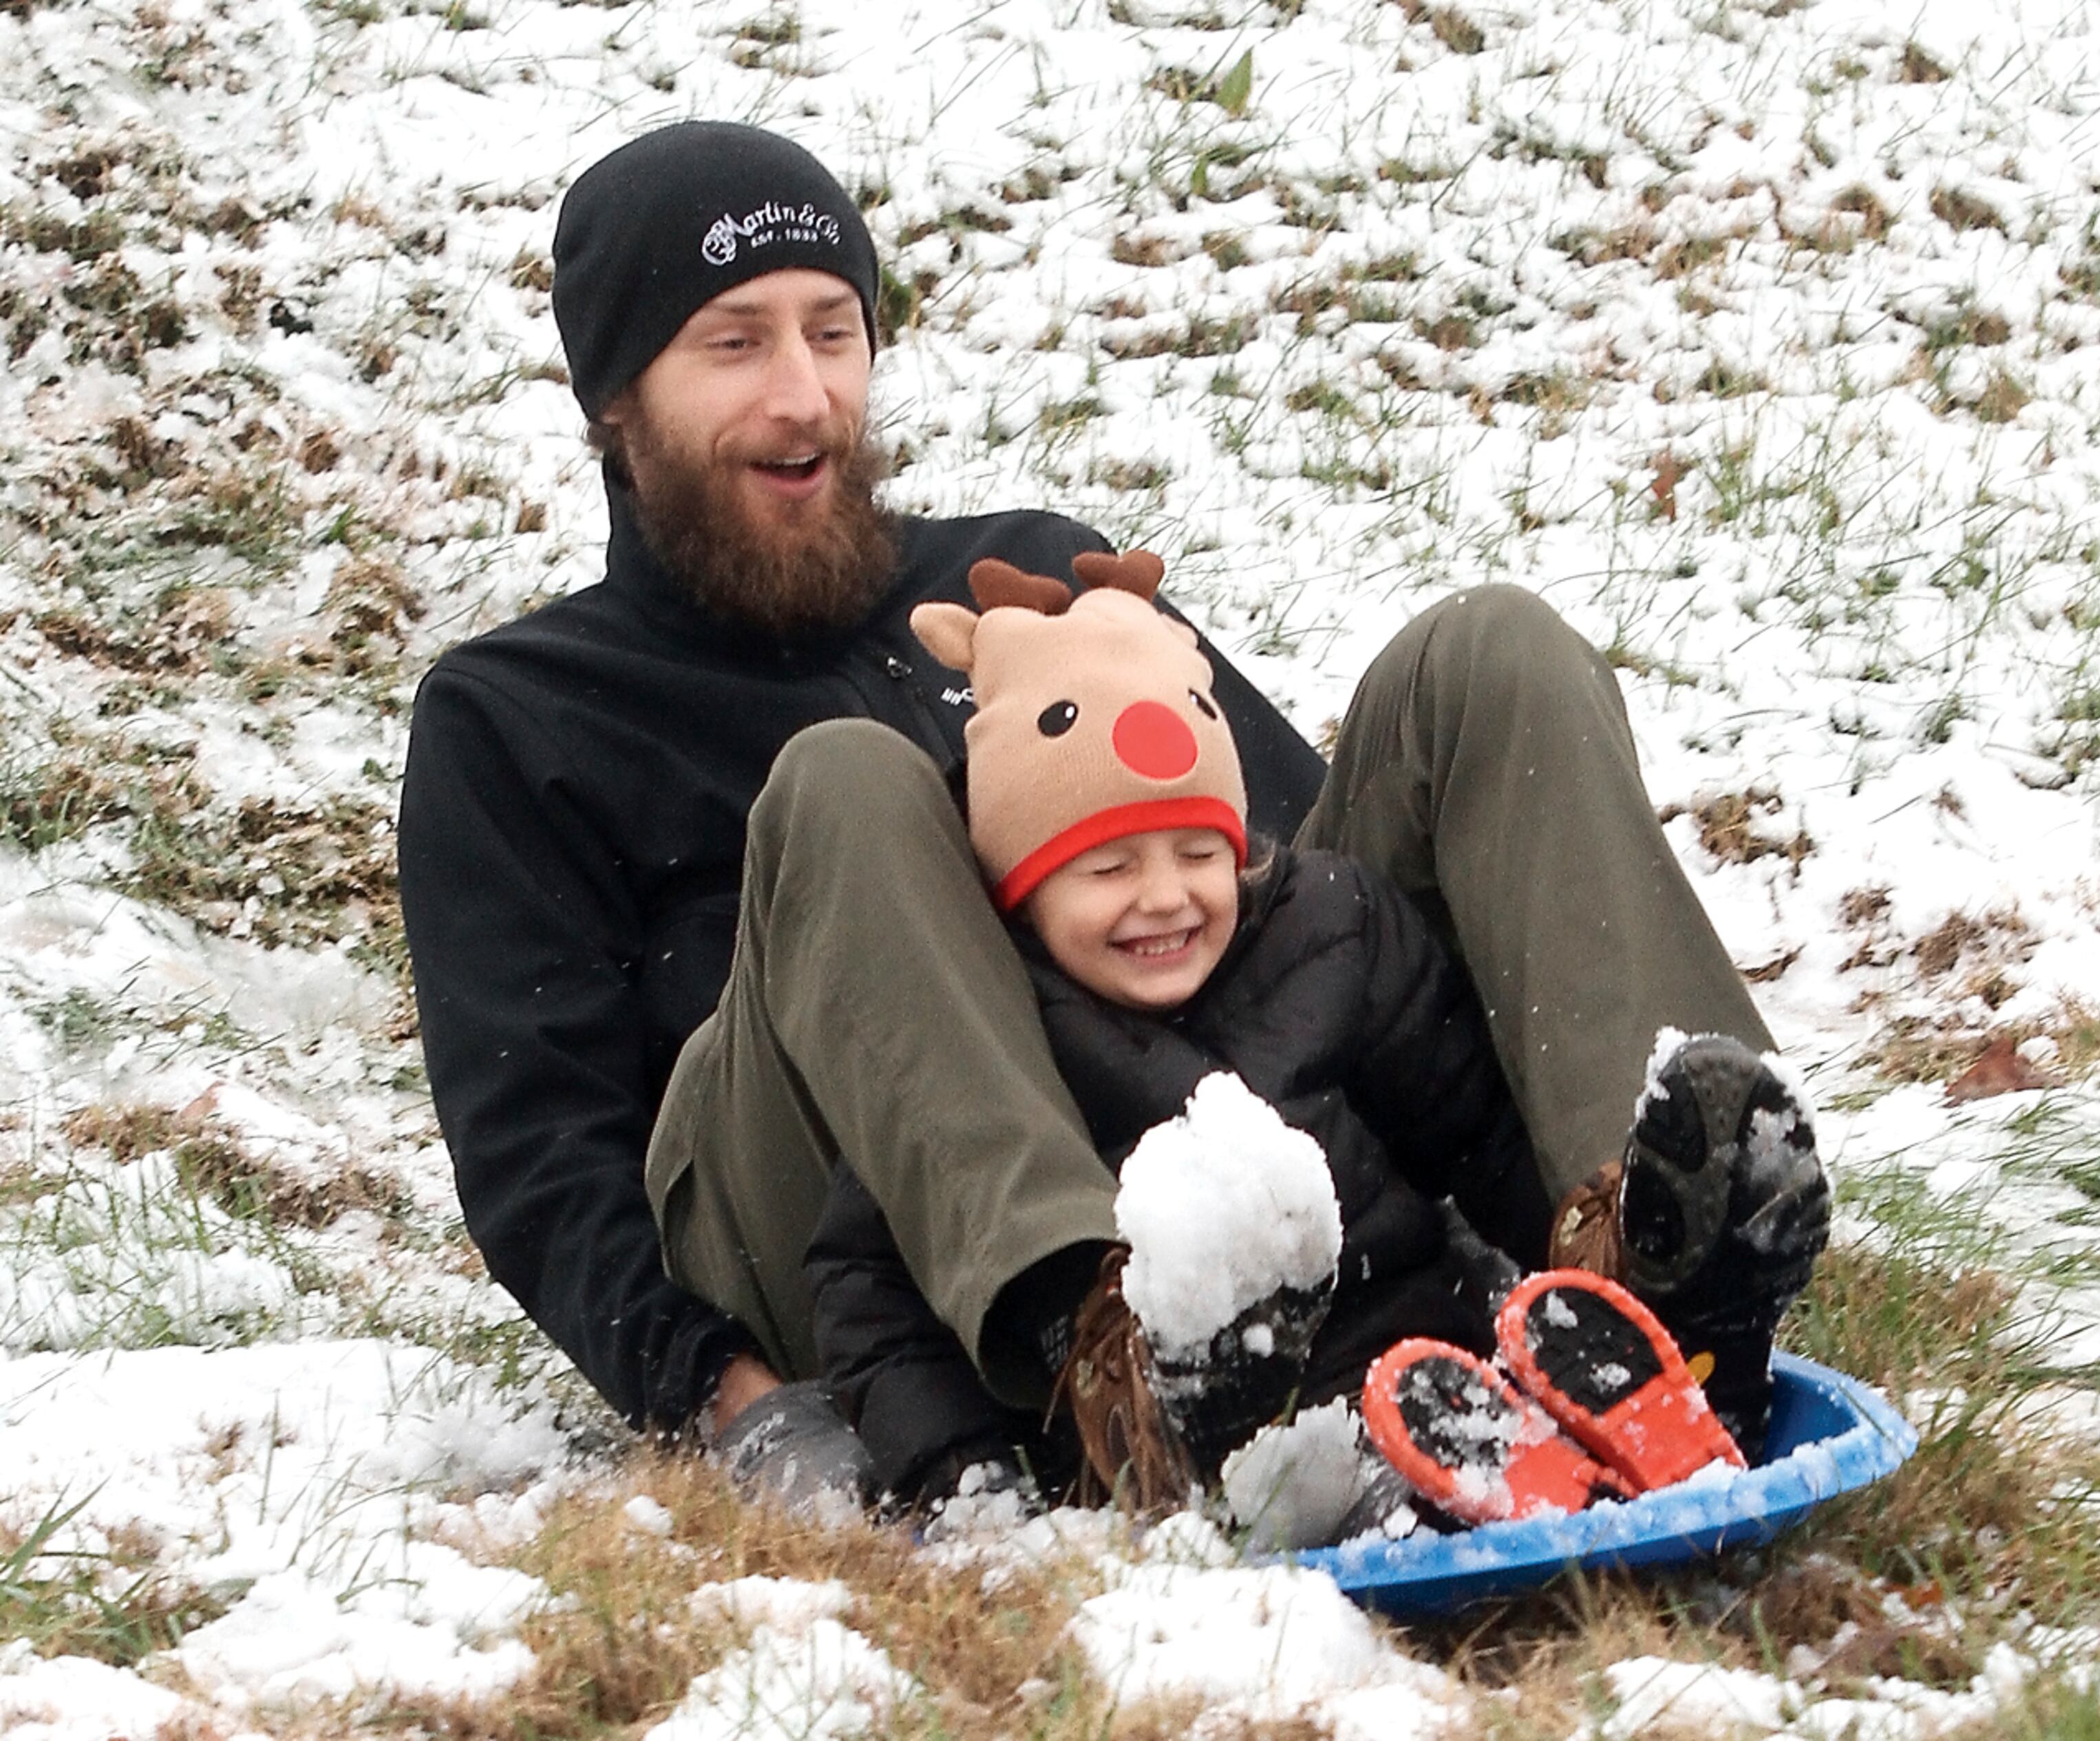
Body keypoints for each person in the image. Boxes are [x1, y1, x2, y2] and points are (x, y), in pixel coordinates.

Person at [396, 118, 1821, 1511]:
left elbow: (1279, 874)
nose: (805, 395)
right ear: (614, 398)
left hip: (1200, 1165)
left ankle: (1657, 1242)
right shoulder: (523, 713)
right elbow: (540, 1157)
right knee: (846, 778)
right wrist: (736, 1400)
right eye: (734, 343)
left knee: (1488, 655)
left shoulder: (1033, 578)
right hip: (842, 1241)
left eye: (834, 332)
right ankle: (1098, 1342)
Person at [807, 552, 1825, 1529]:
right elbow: (870, 1288)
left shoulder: (1329, 934)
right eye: (1108, 869)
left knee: (1485, 1337)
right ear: (1021, 890)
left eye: (1199, 851)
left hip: (1418, 1376)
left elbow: (1475, 1137)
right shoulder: (989, 1027)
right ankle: (1243, 1442)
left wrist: (1580, 1248)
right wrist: (960, 1476)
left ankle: (1669, 1313)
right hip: (1175, 1439)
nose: (1164, 897)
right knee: (1252, 1412)